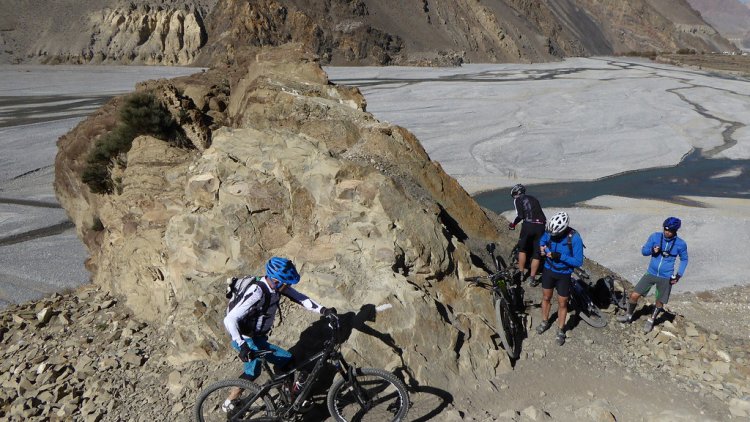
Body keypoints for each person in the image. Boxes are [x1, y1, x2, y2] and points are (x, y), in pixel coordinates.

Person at [222, 256, 335, 413]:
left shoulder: (276, 287)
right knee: (258, 369)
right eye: (286, 283)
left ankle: (288, 399)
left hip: (257, 336)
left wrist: (324, 310)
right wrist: (242, 346)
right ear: (276, 280)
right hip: (246, 339)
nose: (288, 286)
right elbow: (230, 319)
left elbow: (302, 299)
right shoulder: (257, 292)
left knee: (282, 363)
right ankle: (230, 403)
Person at [617, 217, 688, 333]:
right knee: (634, 295)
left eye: (670, 230)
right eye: (665, 229)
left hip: (666, 277)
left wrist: (678, 275)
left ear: (675, 231)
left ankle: (651, 320)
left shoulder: (680, 244)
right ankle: (628, 316)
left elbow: (684, 259)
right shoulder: (655, 236)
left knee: (659, 301)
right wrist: (652, 250)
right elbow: (644, 251)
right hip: (651, 273)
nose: (667, 232)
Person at [535, 212, 584, 346]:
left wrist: (559, 256)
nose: (552, 236)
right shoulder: (550, 231)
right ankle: (545, 321)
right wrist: (542, 247)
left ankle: (561, 329)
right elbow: (543, 240)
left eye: (555, 235)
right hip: (548, 270)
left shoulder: (575, 238)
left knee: (562, 303)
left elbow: (578, 261)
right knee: (546, 297)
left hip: (564, 274)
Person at [508, 183, 547, 285]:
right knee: (537, 254)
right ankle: (532, 278)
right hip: (541, 226)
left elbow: (520, 215)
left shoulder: (518, 200)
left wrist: (513, 224)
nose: (514, 197)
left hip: (528, 225)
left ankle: (521, 274)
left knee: (523, 249)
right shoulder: (534, 198)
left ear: (516, 193)